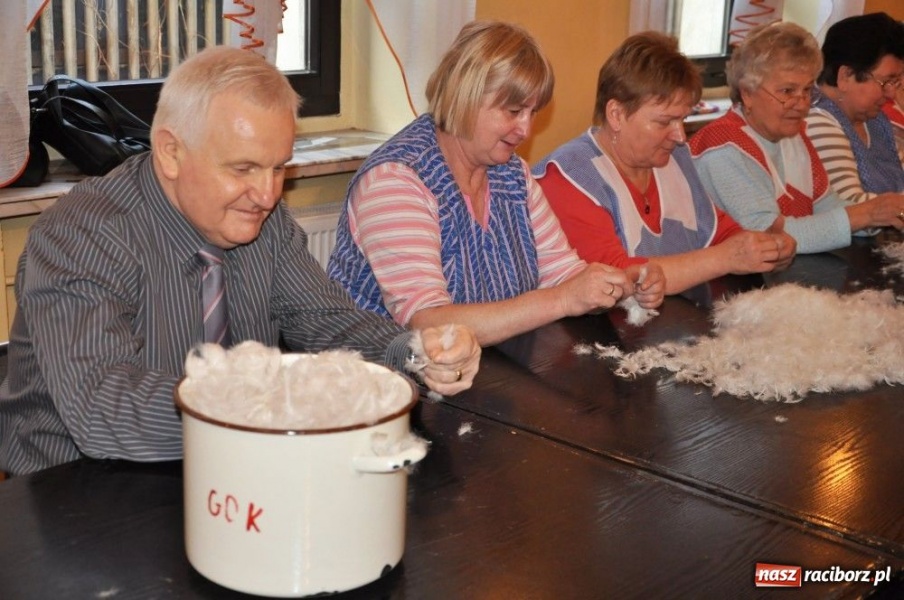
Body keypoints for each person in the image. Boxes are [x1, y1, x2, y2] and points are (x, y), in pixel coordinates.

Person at [0, 46, 481, 477]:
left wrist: (417, 353)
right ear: (170, 152)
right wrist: (273, 406)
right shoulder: (81, 236)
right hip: (74, 495)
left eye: (279, 167)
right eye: (243, 168)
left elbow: (327, 321)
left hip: (228, 475)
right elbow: (104, 408)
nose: (268, 194)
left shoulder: (259, 220)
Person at [326, 21, 664, 347]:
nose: (525, 130)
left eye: (532, 113)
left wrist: (620, 283)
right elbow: (429, 323)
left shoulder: (512, 174)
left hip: (477, 374)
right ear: (464, 96)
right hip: (382, 385)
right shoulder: (396, 180)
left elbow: (560, 271)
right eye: (514, 111)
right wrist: (563, 299)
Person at [533, 32, 796, 295]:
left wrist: (764, 248)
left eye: (682, 119)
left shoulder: (675, 158)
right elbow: (616, 277)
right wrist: (726, 258)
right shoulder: (567, 176)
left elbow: (721, 233)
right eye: (663, 122)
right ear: (616, 114)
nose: (680, 135)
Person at [690, 22, 904, 254]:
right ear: (747, 93)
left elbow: (827, 206)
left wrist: (878, 215)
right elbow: (768, 236)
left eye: (806, 90)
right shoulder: (722, 146)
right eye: (787, 91)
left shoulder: (794, 136)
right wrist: (868, 213)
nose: (802, 103)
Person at [805, 13, 904, 205]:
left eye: (896, 82)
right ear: (845, 76)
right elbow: (851, 207)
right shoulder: (817, 120)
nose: (892, 93)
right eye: (885, 81)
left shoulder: (874, 120)